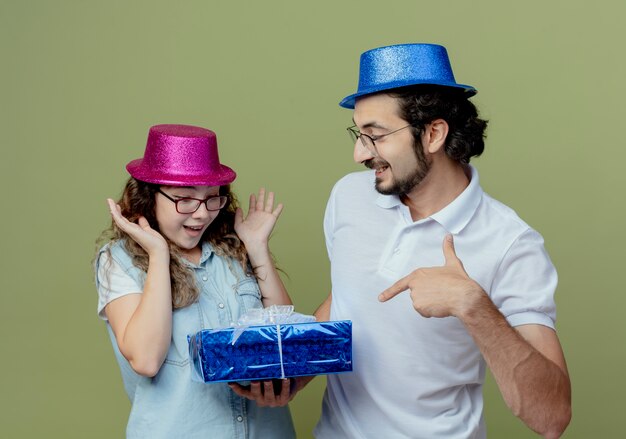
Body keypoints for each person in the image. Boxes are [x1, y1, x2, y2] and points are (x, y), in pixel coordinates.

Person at [312, 44, 571, 439]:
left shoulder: (511, 243)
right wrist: (288, 374)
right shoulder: (348, 197)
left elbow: (551, 418)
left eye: (375, 136)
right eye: (358, 134)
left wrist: (474, 306)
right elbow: (347, 298)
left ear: (433, 133)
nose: (358, 154)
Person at [95, 124, 296, 438]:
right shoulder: (118, 259)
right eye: (185, 200)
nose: (202, 214)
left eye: (212, 199)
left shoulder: (233, 246)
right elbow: (145, 360)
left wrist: (257, 248)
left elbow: (288, 341)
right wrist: (159, 255)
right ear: (149, 197)